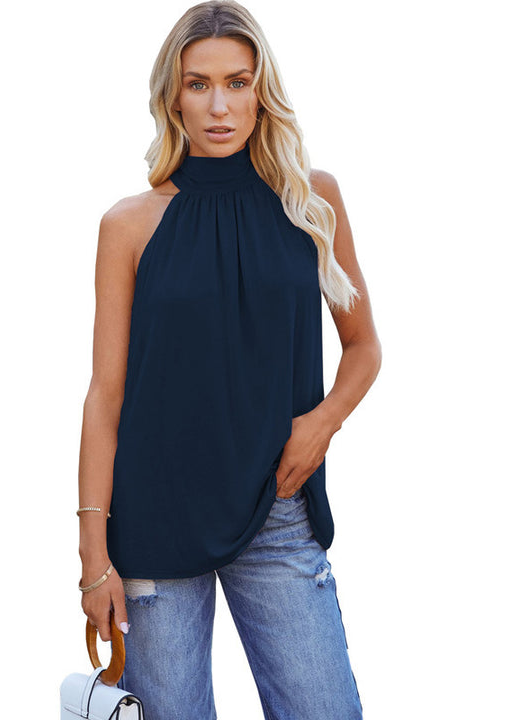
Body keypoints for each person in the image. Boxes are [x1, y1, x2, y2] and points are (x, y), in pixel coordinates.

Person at [76, 2, 381, 718]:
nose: (219, 106)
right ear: (173, 96)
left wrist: (321, 425)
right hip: (154, 517)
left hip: (278, 507)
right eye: (199, 84)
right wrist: (94, 558)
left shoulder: (312, 199)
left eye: (238, 83)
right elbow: (106, 396)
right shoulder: (129, 224)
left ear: (261, 91)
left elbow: (364, 347)